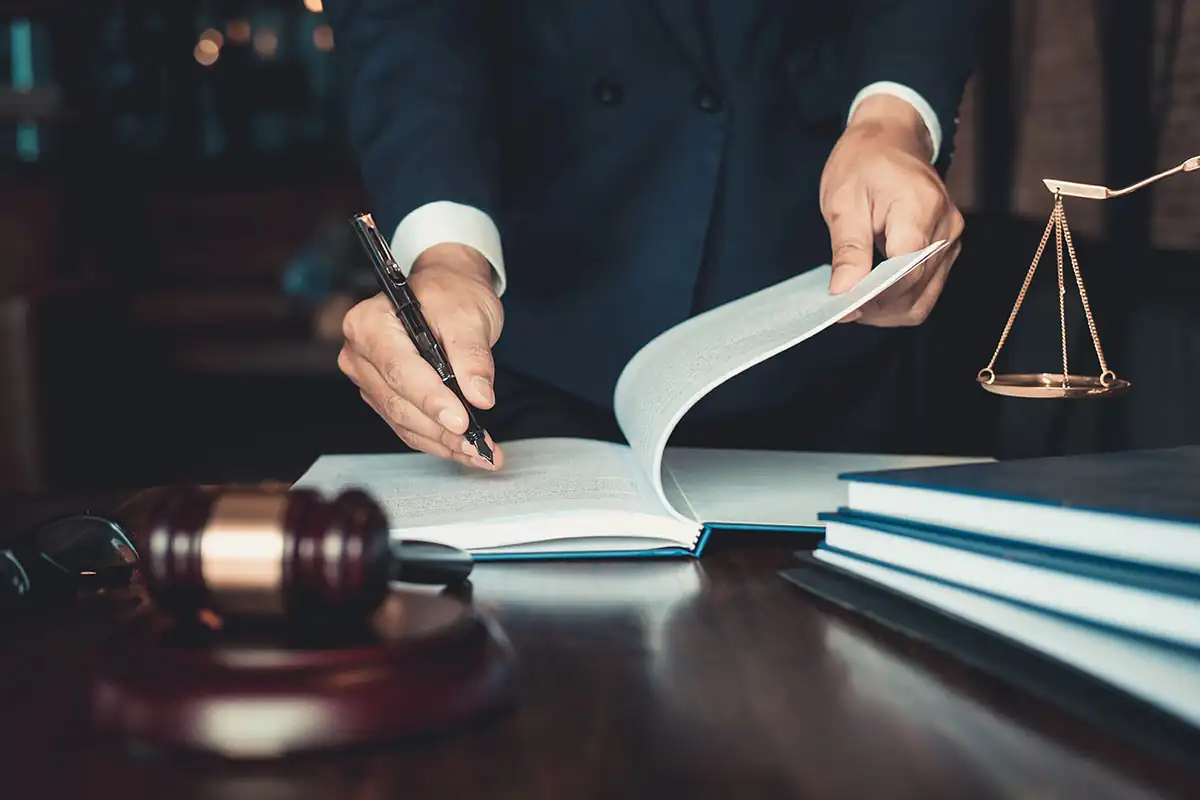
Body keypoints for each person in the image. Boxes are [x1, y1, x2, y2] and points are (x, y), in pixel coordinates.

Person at [323, 1, 989, 471]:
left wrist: (893, 119)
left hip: (828, 305)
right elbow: (407, 26)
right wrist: (445, 255)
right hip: (539, 319)